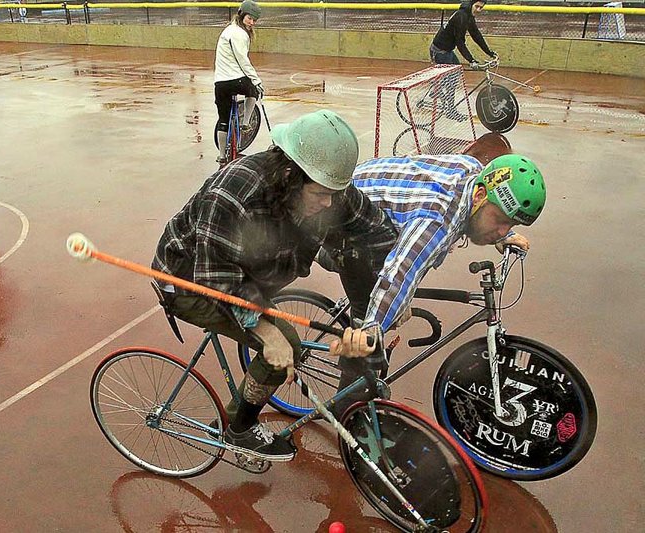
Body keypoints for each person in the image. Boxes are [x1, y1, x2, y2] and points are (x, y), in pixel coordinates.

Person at [152, 110, 398, 461]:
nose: (330, 203)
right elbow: (218, 280)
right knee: (288, 345)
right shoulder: (234, 194)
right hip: (194, 280)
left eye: (335, 193)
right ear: (289, 176)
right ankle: (239, 427)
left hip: (255, 270)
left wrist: (394, 291)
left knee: (347, 249)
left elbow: (374, 230)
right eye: (322, 194)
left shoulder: (320, 185)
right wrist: (268, 333)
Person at [325, 152, 546, 414]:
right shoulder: (437, 219)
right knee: (368, 335)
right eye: (499, 221)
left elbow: (481, 213)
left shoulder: (474, 172)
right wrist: (372, 329)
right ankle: (347, 413)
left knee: (390, 305)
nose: (502, 229)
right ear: (479, 195)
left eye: (510, 223)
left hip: (374, 213)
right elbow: (400, 274)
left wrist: (501, 235)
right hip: (337, 223)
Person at [213, 0, 264, 166]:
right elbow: (243, 60)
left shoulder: (228, 30)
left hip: (220, 82)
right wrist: (256, 80)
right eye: (249, 18)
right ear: (241, 14)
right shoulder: (239, 34)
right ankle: (245, 123)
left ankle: (222, 156)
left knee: (223, 120)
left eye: (254, 20)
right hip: (234, 80)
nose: (252, 22)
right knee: (254, 91)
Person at [431, 0, 497, 69]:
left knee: (458, 73)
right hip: (439, 51)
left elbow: (476, 35)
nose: (478, 10)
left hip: (447, 50)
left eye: (481, 7)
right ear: (472, 4)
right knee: (450, 78)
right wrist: (471, 60)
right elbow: (460, 42)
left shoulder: (469, 15)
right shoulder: (461, 16)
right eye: (477, 6)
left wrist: (489, 52)